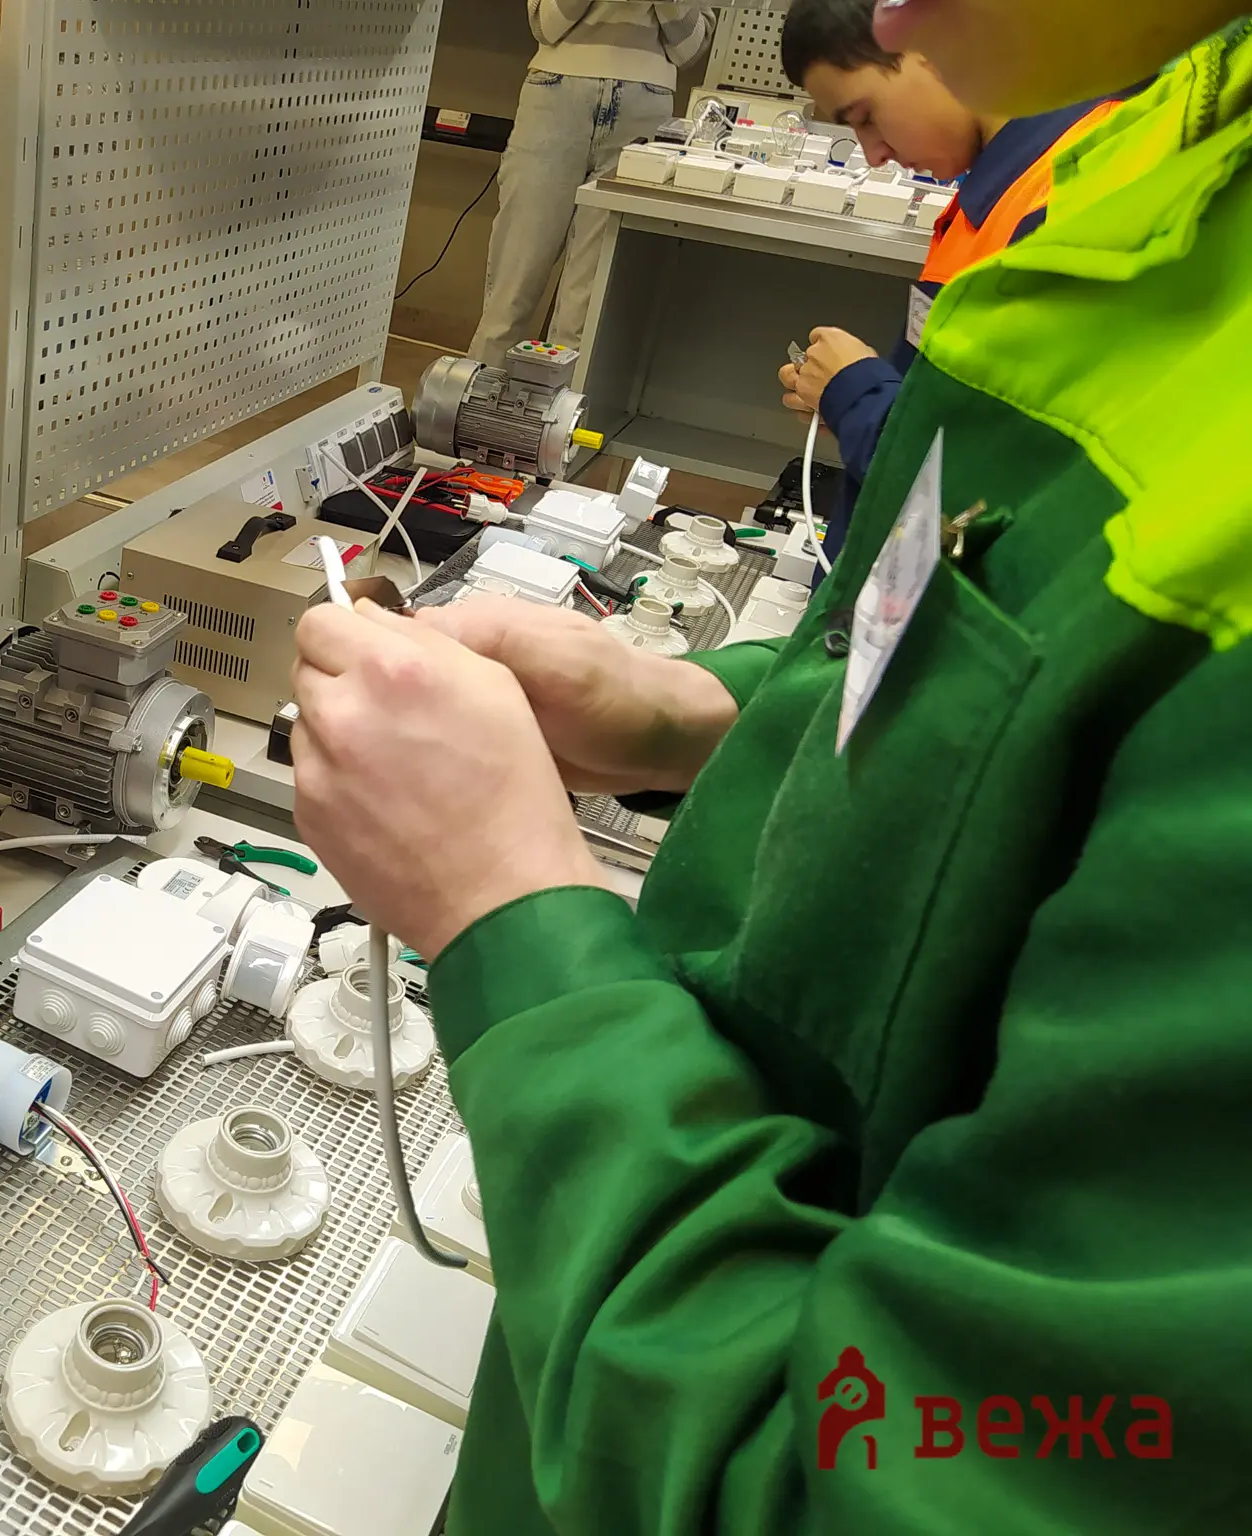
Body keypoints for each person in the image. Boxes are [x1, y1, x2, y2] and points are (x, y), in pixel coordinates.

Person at [291, 0, 1252, 1529]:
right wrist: (702, 714)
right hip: (615, 1337)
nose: (877, 12)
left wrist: (507, 915)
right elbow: (991, 667)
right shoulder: (1153, 170)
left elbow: (841, 1487)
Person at [775, 0, 1119, 566]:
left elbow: (977, 482)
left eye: (866, 116)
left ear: (934, 46)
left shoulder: (1071, 196)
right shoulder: (996, 191)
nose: (874, 154)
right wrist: (850, 402)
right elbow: (944, 409)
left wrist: (855, 393)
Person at [469, 3, 711, 363]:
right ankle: (478, 395)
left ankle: (556, 400)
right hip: (556, 93)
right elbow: (545, 25)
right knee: (511, 291)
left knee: (583, 315)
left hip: (645, 106)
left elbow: (689, 48)